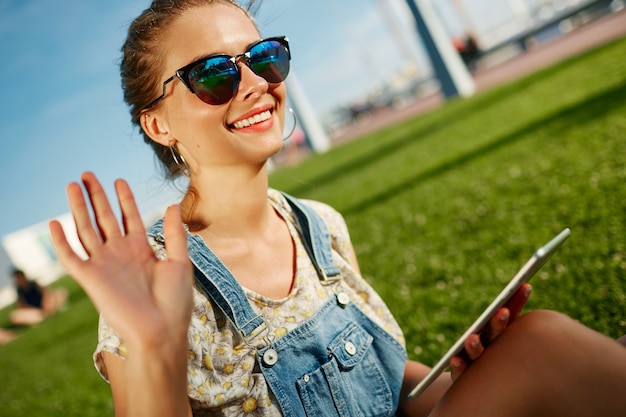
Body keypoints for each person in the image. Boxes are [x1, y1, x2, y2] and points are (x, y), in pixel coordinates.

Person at [48, 1, 626, 416]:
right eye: (215, 73)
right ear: (159, 122)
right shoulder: (154, 279)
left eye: (264, 57)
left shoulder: (318, 225)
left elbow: (387, 386)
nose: (254, 83)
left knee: (534, 347)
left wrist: (457, 377)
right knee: (547, 348)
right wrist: (152, 347)